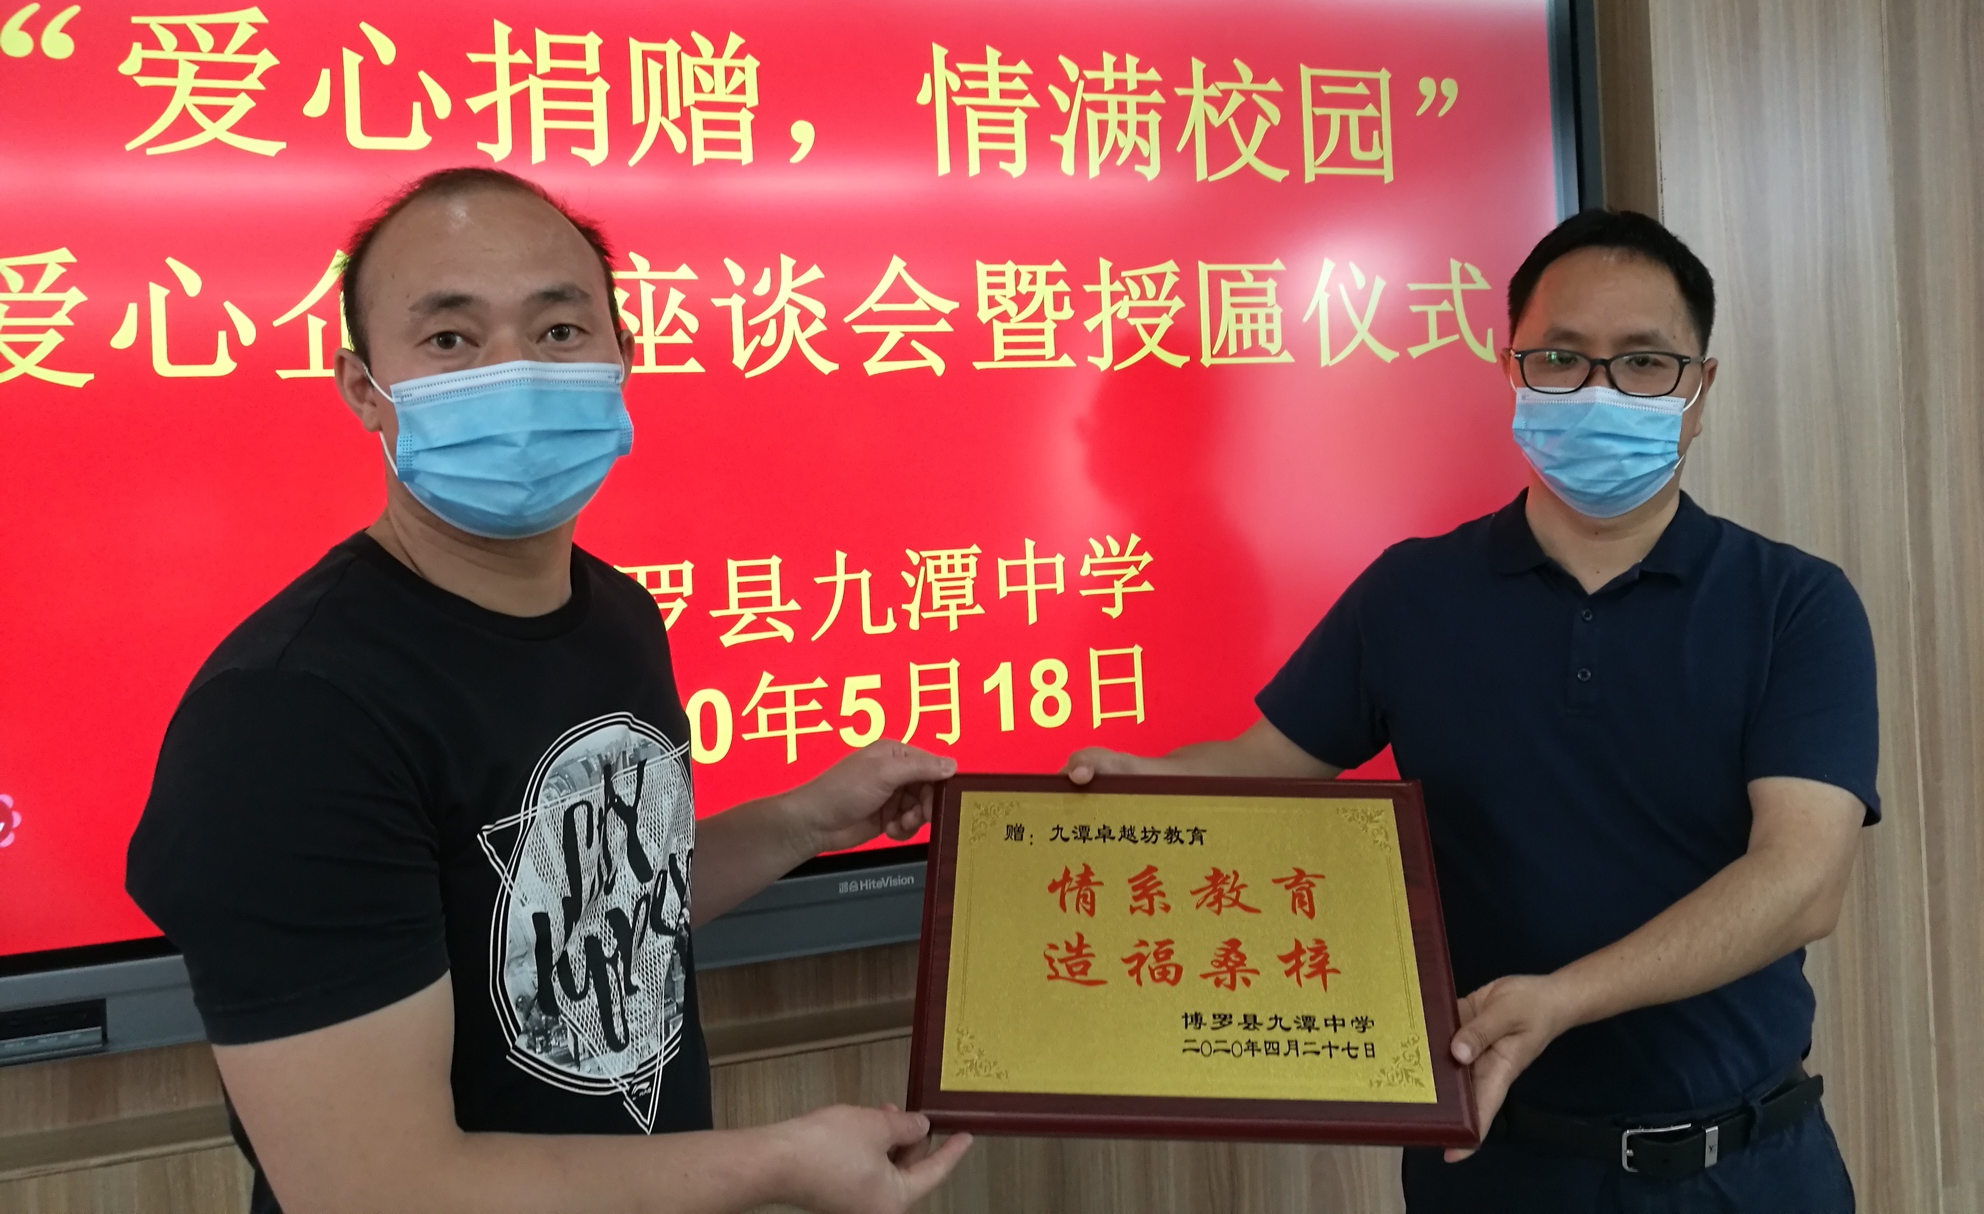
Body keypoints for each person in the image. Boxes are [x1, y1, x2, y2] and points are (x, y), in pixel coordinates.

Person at [127, 167, 971, 1214]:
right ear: (362, 388)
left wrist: (806, 821)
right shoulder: (288, 716)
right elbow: (374, 1191)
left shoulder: (615, 612)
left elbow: (597, 914)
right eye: (450, 339)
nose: (514, 372)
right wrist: (778, 1163)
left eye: (559, 331)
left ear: (623, 358)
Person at [1067, 209, 1877, 1213]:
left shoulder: (1795, 603)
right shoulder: (1412, 593)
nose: (1598, 391)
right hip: (1494, 1165)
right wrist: (1139, 786)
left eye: (1642, 363)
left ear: (1699, 391)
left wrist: (1564, 1000)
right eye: (1561, 359)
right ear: (1511, 373)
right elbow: (1266, 764)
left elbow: (1802, 882)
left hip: (1744, 1169)